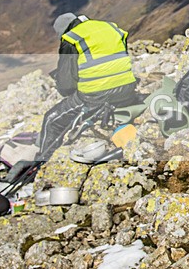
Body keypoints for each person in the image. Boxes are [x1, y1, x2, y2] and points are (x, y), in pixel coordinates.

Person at [36, 12, 139, 161]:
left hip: (96, 96)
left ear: (63, 31)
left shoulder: (71, 38)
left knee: (52, 120)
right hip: (128, 89)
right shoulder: (110, 27)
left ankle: (41, 162)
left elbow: (66, 86)